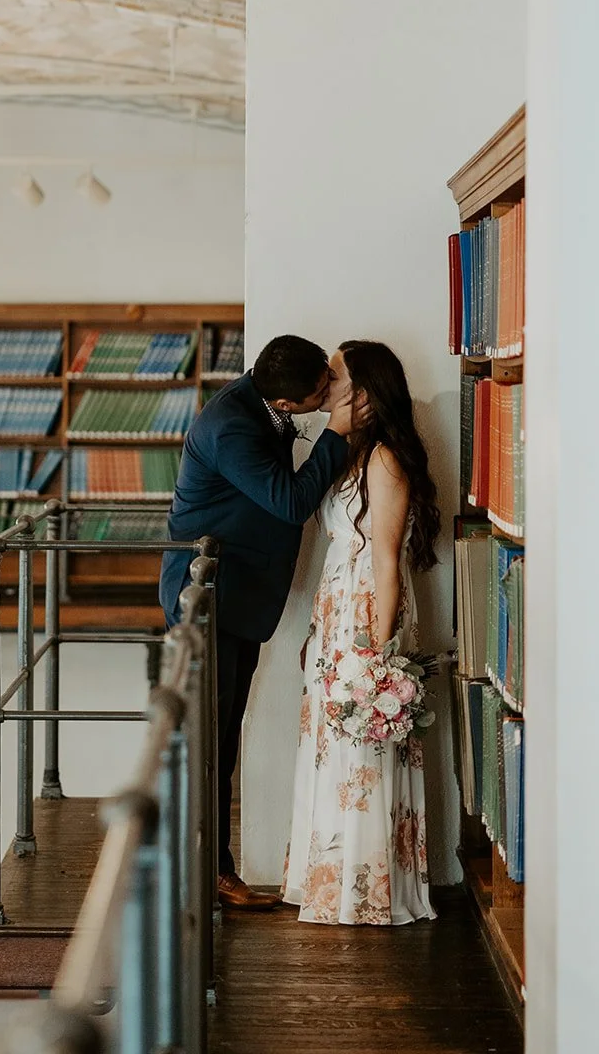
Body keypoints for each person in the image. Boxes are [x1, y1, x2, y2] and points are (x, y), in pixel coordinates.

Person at [159, 335, 355, 912]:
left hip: (236, 593)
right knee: (210, 741)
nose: (332, 392)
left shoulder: (260, 402)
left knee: (222, 735)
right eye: (324, 390)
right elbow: (290, 501)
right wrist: (338, 434)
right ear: (290, 404)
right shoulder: (231, 426)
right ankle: (202, 876)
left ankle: (209, 870)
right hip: (208, 594)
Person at [282, 340, 441, 926]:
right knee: (335, 748)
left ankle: (364, 891)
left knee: (363, 748)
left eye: (339, 379)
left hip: (364, 611)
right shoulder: (354, 452)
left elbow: (385, 559)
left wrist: (374, 654)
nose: (327, 387)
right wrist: (317, 630)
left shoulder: (384, 460)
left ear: (366, 395)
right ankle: (331, 881)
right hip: (336, 609)